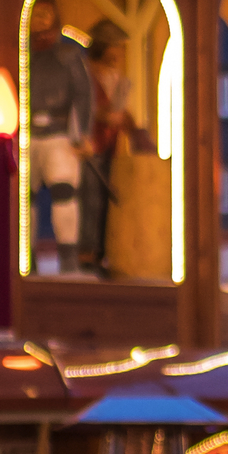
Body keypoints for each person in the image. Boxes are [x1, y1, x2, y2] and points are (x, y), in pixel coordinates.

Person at [27, 0, 92, 274]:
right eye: (36, 13)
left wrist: (81, 134)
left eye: (45, 13)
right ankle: (25, 259)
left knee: (65, 197)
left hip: (58, 135)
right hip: (27, 135)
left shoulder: (69, 56)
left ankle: (68, 259)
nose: (40, 19)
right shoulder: (21, 55)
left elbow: (82, 95)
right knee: (23, 203)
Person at [81, 20, 135, 277]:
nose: (120, 53)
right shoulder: (85, 73)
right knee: (89, 200)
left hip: (110, 148)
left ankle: (102, 252)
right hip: (90, 146)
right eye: (116, 47)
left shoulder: (114, 77)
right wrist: (106, 116)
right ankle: (87, 253)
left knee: (104, 202)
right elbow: (86, 107)